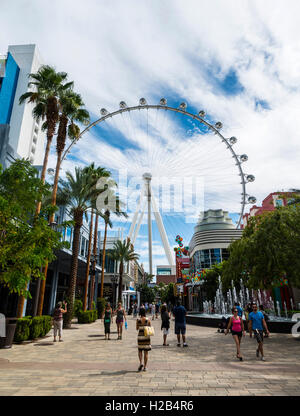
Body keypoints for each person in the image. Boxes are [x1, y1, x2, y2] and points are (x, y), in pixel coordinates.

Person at [136, 307, 152, 371]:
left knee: (140, 350)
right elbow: (150, 327)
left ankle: (140, 363)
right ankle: (145, 367)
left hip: (140, 337)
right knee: (146, 352)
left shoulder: (138, 320)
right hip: (146, 337)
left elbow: (137, 328)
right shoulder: (148, 320)